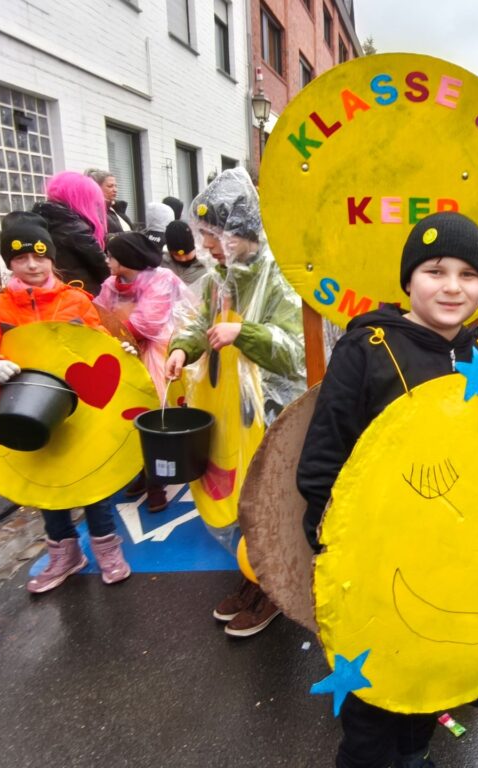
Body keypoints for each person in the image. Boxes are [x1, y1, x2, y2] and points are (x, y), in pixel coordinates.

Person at [297, 211, 478, 768]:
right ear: (408, 280)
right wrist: (335, 548)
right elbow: (322, 459)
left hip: (446, 563)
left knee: (428, 682)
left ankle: (414, 756)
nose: (453, 287)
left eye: (468, 274)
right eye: (435, 271)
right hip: (376, 562)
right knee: (371, 707)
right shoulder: (369, 348)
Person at [0, 212, 132, 592]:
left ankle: (107, 550)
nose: (32, 265)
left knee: (92, 483)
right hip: (27, 411)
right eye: (20, 258)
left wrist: (121, 352)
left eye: (39, 256)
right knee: (47, 486)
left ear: (51, 258)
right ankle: (65, 554)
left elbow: (100, 345)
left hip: (78, 411)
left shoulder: (75, 301)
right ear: (10, 263)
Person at [165, 168, 305, 638]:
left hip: (270, 413)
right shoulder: (217, 279)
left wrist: (242, 332)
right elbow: (198, 322)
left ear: (240, 231)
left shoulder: (279, 277)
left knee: (267, 504)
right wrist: (182, 348)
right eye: (203, 235)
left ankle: (272, 589)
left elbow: (297, 352)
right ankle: (251, 576)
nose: (205, 244)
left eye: (212, 234)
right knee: (236, 503)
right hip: (229, 412)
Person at [95, 232, 197, 512]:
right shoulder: (109, 285)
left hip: (157, 354)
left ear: (125, 258)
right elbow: (98, 318)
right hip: (123, 354)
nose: (107, 261)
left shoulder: (161, 279)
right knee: (125, 418)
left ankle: (156, 482)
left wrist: (114, 330)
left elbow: (147, 324)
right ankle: (140, 472)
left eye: (111, 255)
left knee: (153, 417)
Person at [32, 171, 111, 296]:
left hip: (49, 293)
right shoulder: (75, 228)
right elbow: (104, 270)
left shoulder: (39, 221)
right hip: (81, 295)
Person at [161, 220, 208, 286]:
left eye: (187, 253)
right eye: (176, 255)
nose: (183, 259)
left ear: (193, 247)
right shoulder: (162, 264)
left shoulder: (207, 266)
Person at [85, 168, 133, 233]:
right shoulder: (93, 212)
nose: (115, 190)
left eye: (116, 186)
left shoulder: (116, 209)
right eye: (110, 186)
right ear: (96, 188)